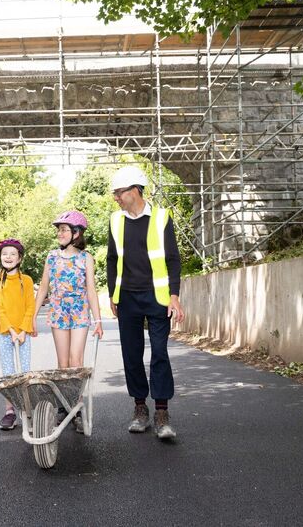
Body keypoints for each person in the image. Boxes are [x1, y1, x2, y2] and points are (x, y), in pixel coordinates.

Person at [106, 165, 185, 440]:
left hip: (157, 297)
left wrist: (174, 296)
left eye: (118, 192)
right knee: (131, 354)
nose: (116, 197)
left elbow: (173, 259)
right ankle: (140, 409)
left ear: (134, 191)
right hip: (126, 297)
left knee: (160, 353)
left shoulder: (161, 217)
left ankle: (162, 411)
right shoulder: (116, 221)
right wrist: (112, 295)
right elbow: (112, 260)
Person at [33, 210, 103, 433]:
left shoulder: (86, 258)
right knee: (63, 363)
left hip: (80, 312)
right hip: (58, 312)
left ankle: (77, 406)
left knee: (76, 360)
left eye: (64, 230)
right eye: (59, 230)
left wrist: (98, 319)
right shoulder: (52, 256)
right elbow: (44, 287)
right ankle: (65, 405)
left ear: (76, 233)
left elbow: (91, 290)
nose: (60, 233)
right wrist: (32, 316)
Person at [0, 238, 36, 431]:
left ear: (19, 258)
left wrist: (23, 330)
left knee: (24, 371)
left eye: (12, 254)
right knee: (8, 373)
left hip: (23, 333)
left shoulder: (26, 281)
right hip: (4, 333)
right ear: (0, 257)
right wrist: (10, 330)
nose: (8, 257)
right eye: (4, 254)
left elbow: (30, 307)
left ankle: (27, 409)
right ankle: (10, 411)